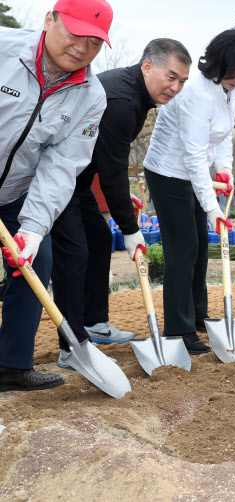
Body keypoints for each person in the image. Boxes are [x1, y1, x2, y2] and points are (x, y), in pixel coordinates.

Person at [50, 39, 191, 369]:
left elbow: (101, 154)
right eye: (171, 77)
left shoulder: (135, 95)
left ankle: (94, 323)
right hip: (54, 179)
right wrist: (130, 228)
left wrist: (117, 198)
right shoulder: (123, 100)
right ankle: (72, 347)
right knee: (74, 254)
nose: (176, 87)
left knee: (98, 238)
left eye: (182, 81)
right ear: (147, 67)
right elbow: (113, 167)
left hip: (77, 180)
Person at [0, 0, 111, 392]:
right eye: (75, 33)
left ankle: (11, 364)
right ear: (50, 19)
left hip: (14, 191)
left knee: (35, 260)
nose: (82, 48)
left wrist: (32, 228)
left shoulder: (91, 96)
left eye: (95, 43)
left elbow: (62, 165)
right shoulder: (3, 48)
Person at [143, 29, 235, 354]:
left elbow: (223, 134)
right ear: (219, 63)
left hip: (194, 173)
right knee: (183, 249)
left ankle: (197, 315)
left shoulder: (229, 90)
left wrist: (224, 168)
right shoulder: (196, 93)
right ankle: (178, 330)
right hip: (169, 172)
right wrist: (212, 210)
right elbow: (193, 156)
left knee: (198, 247)